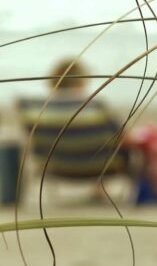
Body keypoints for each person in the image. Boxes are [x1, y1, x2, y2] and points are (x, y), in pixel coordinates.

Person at [18, 59, 134, 188]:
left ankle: (98, 190)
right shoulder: (95, 107)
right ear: (81, 80)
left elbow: (32, 141)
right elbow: (123, 138)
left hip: (53, 166)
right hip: (102, 166)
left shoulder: (38, 110)